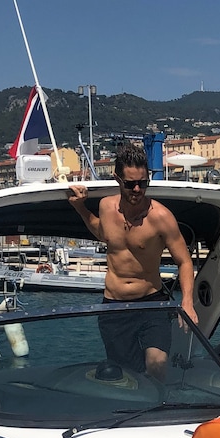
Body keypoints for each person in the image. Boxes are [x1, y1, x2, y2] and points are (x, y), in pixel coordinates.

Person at [66, 142, 196, 379]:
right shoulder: (105, 206)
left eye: (142, 183)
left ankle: (159, 400)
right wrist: (80, 208)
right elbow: (102, 233)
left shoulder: (161, 217)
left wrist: (187, 301)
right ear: (117, 179)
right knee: (127, 374)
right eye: (130, 184)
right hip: (114, 306)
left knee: (157, 362)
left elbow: (185, 261)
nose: (137, 189)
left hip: (151, 302)